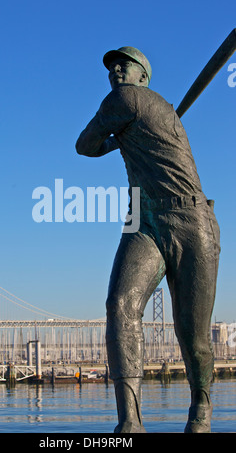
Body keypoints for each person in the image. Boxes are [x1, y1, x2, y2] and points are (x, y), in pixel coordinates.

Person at [75, 46, 220, 433]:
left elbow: (85, 144)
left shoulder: (126, 99)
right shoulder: (133, 108)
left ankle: (201, 408)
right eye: (112, 67)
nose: (116, 71)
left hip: (193, 219)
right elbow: (85, 147)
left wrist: (114, 138)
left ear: (143, 77)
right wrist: (122, 136)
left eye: (126, 65)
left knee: (193, 337)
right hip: (144, 218)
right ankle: (130, 424)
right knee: (120, 305)